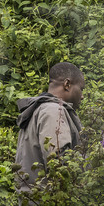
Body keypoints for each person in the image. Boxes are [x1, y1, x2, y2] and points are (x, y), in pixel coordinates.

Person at [15, 62, 84, 191]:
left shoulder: (38, 110)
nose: (82, 96)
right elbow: (58, 162)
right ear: (67, 84)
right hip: (50, 201)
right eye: (81, 89)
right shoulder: (53, 111)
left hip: (34, 199)